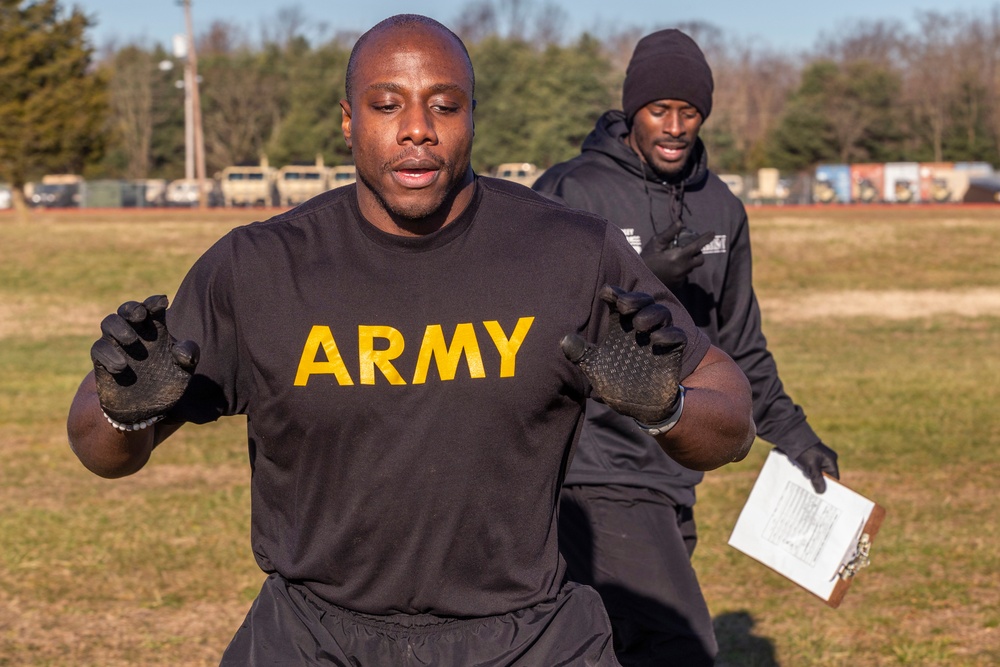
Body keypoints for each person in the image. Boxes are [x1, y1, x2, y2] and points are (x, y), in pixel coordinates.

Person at [66, 16, 756, 667]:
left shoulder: (568, 252)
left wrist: (667, 408)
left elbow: (730, 413)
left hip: (525, 637)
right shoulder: (259, 267)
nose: (417, 130)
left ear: (473, 118)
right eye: (387, 105)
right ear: (347, 121)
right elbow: (100, 447)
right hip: (314, 635)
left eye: (444, 106)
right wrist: (125, 413)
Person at [533, 28, 841, 667]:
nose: (674, 125)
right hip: (592, 464)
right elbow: (527, 317)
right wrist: (641, 272)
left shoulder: (722, 207)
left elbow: (740, 343)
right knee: (680, 647)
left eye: (690, 111)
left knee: (607, 645)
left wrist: (797, 435)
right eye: (657, 110)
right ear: (630, 111)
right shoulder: (572, 192)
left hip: (678, 464)